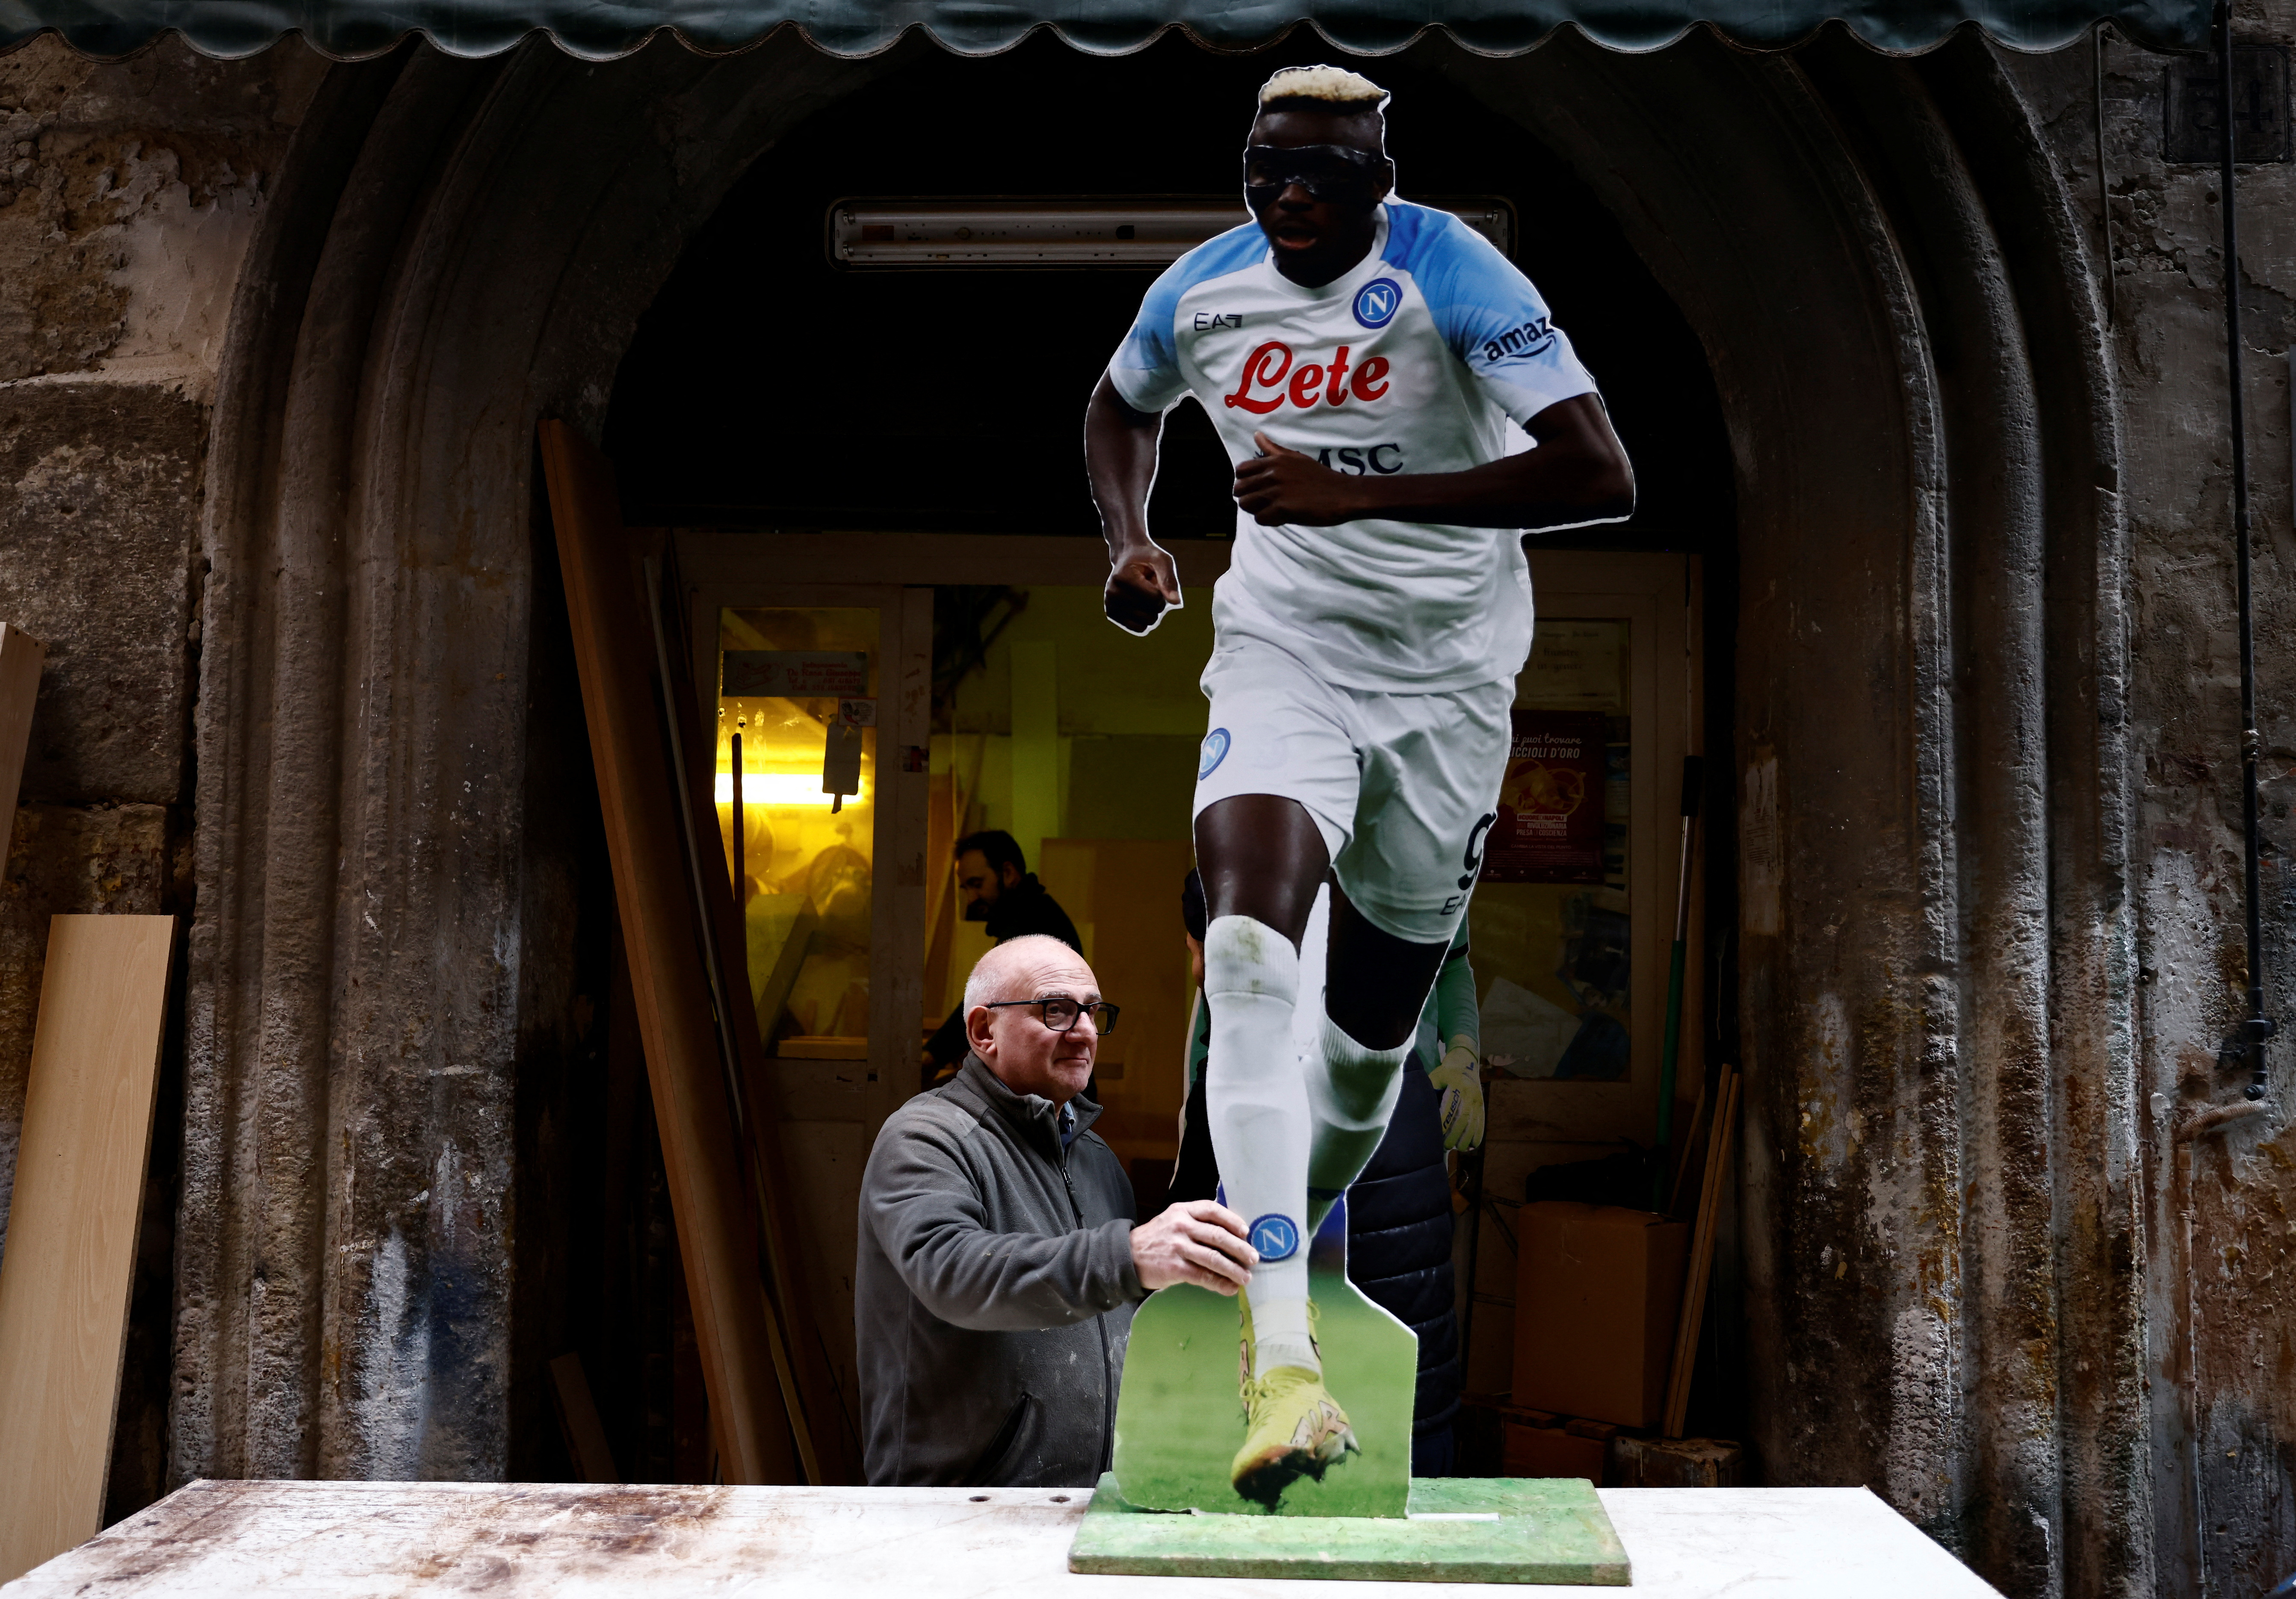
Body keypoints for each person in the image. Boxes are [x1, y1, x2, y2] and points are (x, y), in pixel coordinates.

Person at [1083, 64, 1631, 1504]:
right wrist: (1131, 539)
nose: (1292, 197)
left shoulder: (1451, 267)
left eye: (1323, 171)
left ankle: (1301, 1256)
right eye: (1269, 169)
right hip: (1282, 649)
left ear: (1377, 176)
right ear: (1246, 169)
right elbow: (1116, 406)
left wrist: (1355, 490)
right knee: (1250, 951)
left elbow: (1597, 470)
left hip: (1445, 683)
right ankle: (1282, 1363)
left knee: (1364, 1047)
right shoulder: (1198, 292)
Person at [857, 934, 1258, 1487]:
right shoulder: (927, 1137)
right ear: (981, 1031)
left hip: (1084, 1506)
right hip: (958, 1514)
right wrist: (1132, 1254)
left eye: (1093, 1012)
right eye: (1056, 1010)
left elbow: (1117, 1304)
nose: (1086, 1031)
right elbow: (952, 1271)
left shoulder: (1095, 1159)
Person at [1170, 868, 1487, 1477]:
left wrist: (1464, 1053)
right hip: (1417, 1415)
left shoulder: (1401, 861)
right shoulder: (1400, 1083)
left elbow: (1453, 963)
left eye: (1195, 954)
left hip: (1302, 1436)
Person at [922, 831, 1083, 1083]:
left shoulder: (1031, 924)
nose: (972, 899)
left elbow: (988, 997)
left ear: (1008, 874)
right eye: (966, 889)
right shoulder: (1034, 914)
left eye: (977, 884)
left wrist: (933, 1056)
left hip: (1050, 1087)